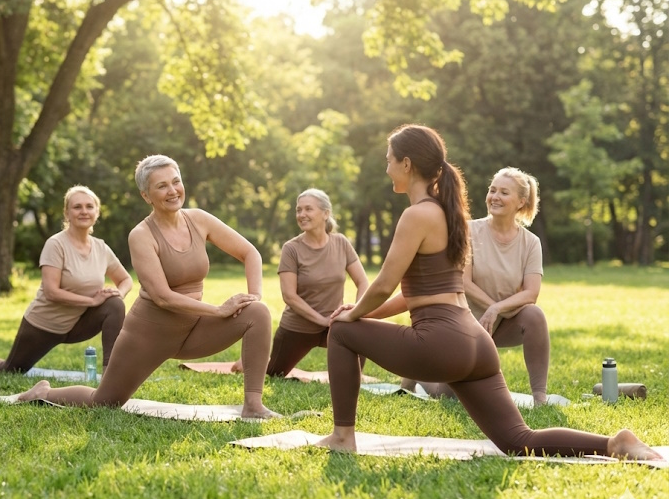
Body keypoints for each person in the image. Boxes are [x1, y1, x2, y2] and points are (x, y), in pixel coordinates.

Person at [315, 125, 659, 460]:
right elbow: (414, 296)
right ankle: (614, 443)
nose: (386, 167)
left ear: (407, 164)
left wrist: (353, 315)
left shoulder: (417, 215)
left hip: (441, 342)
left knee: (342, 332)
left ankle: (343, 436)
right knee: (518, 439)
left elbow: (385, 284)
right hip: (476, 343)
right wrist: (365, 312)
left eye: (389, 160)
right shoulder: (452, 215)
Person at [13, 155, 278, 419]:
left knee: (258, 312)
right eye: (161, 186)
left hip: (194, 329)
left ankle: (253, 405)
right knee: (103, 402)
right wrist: (219, 310)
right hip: (149, 335)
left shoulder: (199, 219)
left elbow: (250, 253)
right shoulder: (141, 235)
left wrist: (252, 297)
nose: (172, 190)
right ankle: (43, 393)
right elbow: (163, 297)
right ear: (146, 196)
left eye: (176, 182)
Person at [402, 168, 552, 405]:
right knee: (448, 395)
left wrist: (496, 310)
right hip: (463, 322)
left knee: (534, 315)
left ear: (521, 202)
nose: (495, 197)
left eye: (504, 192)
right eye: (492, 190)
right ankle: (417, 374)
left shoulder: (531, 243)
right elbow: (463, 281)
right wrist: (493, 307)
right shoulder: (468, 230)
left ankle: (540, 396)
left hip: (500, 323)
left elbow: (531, 293)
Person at [0, 185, 132, 374]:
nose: (84, 211)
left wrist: (117, 293)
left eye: (89, 206)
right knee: (10, 370)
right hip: (45, 324)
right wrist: (92, 300)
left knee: (115, 304)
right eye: (77, 207)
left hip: (79, 323)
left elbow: (126, 279)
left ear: (97, 212)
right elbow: (51, 292)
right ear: (67, 213)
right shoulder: (56, 244)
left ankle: (110, 374)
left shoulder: (101, 248)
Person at [230, 189, 368, 377]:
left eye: (308, 209)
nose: (302, 215)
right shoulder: (291, 249)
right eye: (298, 210)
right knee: (272, 374)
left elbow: (362, 282)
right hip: (298, 328)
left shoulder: (341, 243)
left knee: (359, 341)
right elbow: (289, 296)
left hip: (335, 325)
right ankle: (249, 361)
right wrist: (323, 321)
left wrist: (354, 313)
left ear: (326, 214)